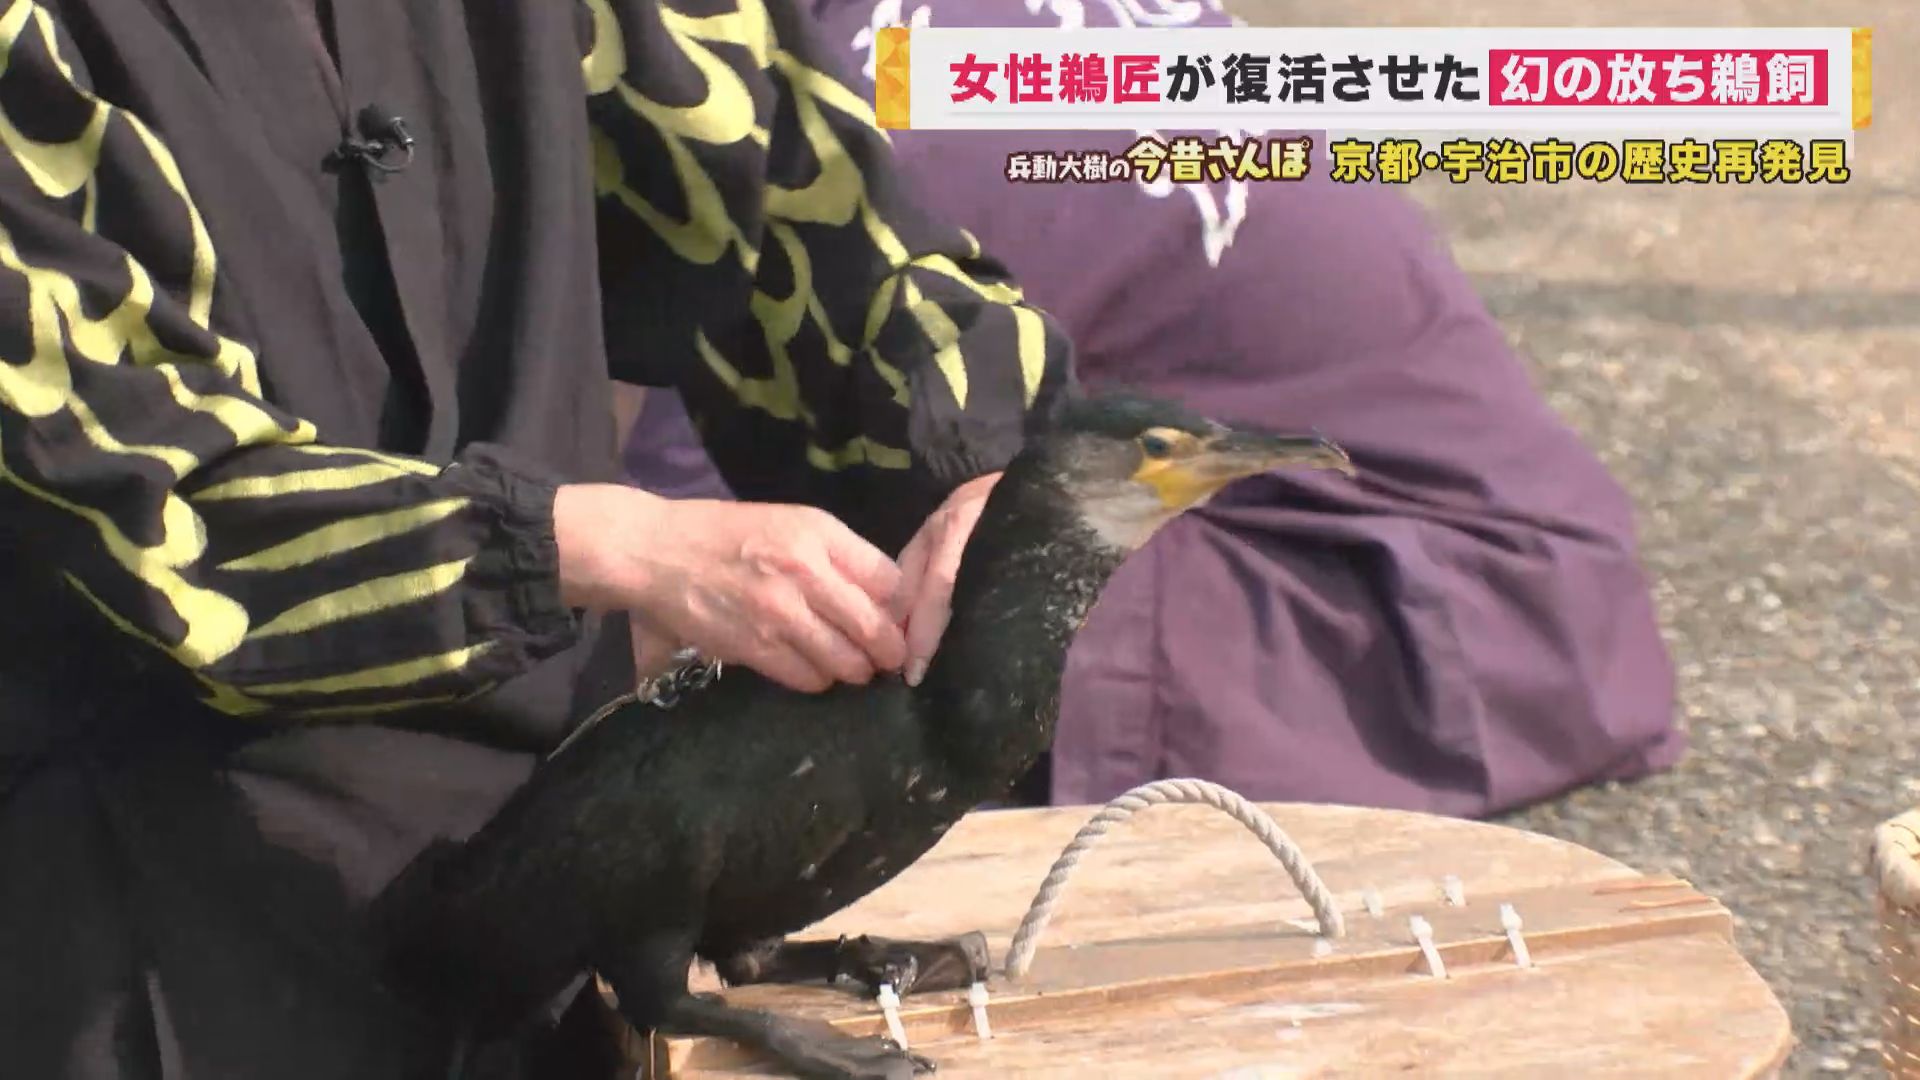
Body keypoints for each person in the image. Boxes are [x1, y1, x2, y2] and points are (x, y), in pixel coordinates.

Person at [0, 1, 1073, 1076]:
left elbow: (797, 193)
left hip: (566, 908)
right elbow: (140, 496)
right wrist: (614, 548)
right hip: (167, 939)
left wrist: (985, 472)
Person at [623, 0, 1685, 818]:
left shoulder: (849, 115)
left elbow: (681, 572)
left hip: (1398, 616)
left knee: (784, 637)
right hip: (1533, 592)